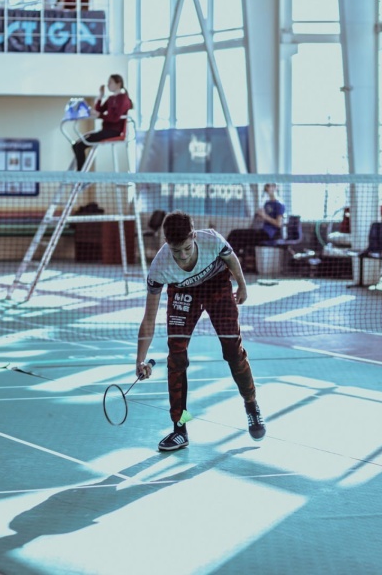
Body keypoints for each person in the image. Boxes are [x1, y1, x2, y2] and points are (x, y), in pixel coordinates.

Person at [136, 211, 265, 451]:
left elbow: (231, 258)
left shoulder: (211, 239)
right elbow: (149, 319)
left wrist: (242, 284)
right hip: (183, 293)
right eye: (177, 251)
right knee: (176, 357)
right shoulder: (159, 268)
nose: (183, 256)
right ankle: (180, 428)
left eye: (187, 248)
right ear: (167, 243)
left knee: (233, 351)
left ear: (194, 236)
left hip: (217, 287)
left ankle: (251, 405)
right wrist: (140, 359)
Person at [72, 74, 133, 171]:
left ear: (118, 84)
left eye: (110, 82)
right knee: (76, 145)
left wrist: (99, 115)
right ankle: (80, 172)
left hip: (114, 131)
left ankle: (80, 174)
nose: (108, 85)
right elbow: (99, 109)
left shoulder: (123, 99)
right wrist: (100, 96)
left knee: (80, 146)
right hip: (105, 130)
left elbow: (114, 118)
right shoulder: (111, 98)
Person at [226, 183, 285, 271]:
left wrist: (264, 216)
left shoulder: (279, 204)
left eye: (269, 186)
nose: (267, 188)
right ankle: (231, 263)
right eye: (266, 186)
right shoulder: (267, 203)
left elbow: (278, 223)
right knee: (237, 238)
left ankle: (229, 262)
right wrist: (259, 217)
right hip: (260, 230)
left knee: (235, 234)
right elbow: (263, 219)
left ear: (275, 187)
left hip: (269, 234)